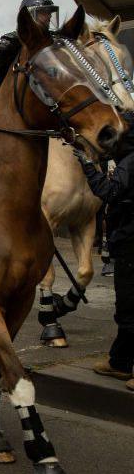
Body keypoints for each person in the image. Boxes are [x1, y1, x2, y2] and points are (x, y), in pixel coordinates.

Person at [76, 113, 134, 391]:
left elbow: (108, 191)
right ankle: (120, 362)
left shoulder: (130, 160)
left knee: (129, 308)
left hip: (130, 244)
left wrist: (87, 163)